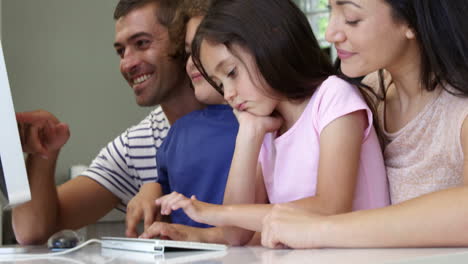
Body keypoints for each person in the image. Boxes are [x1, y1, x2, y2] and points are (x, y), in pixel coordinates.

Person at [153, 0, 389, 246]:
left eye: (232, 73)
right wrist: (248, 135)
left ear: (270, 43)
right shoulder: (267, 127)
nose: (228, 94)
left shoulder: (333, 97)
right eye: (221, 83)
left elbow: (329, 207)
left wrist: (213, 212)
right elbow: (236, 235)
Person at [261, 0, 468, 249]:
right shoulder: (370, 92)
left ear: (411, 22)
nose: (330, 34)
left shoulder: (459, 111)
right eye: (330, 12)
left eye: (351, 19)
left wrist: (319, 229)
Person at [13, 0, 203, 245]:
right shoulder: (135, 146)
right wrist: (43, 153)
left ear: (186, 41)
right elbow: (31, 232)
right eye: (121, 51)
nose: (127, 63)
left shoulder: (247, 115)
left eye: (142, 43)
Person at [129, 0, 239, 229]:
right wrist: (151, 191)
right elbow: (166, 200)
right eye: (188, 52)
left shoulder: (265, 120)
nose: (192, 62)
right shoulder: (179, 132)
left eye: (204, 49)